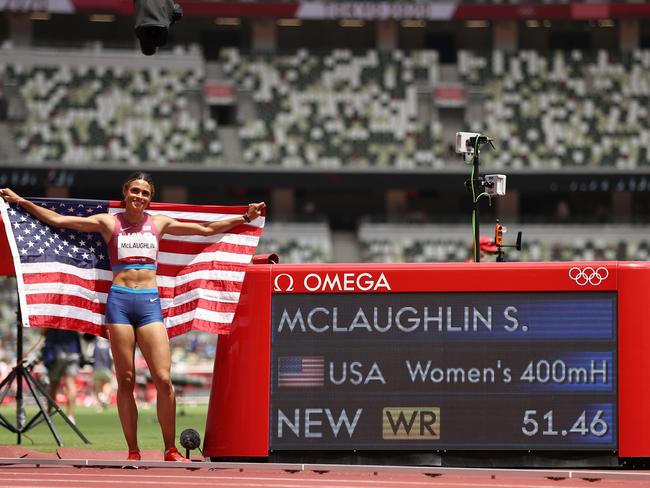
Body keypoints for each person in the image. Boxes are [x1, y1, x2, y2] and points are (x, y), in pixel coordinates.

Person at [0, 173, 265, 462]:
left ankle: (170, 449)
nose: (140, 196)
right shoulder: (109, 222)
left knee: (163, 379)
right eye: (135, 191)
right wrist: (21, 201)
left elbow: (204, 228)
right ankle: (134, 450)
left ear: (150, 197)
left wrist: (244, 216)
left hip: (149, 303)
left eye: (145, 193)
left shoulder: (159, 223)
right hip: (120, 303)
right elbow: (60, 221)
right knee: (125, 380)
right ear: (126, 193)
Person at [41, 328, 81, 424]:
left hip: (57, 351)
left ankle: (49, 413)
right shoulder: (73, 315)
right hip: (73, 351)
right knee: (71, 384)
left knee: (53, 384)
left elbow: (43, 332)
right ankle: (70, 415)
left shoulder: (52, 315)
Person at [92, 337, 114, 411]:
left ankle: (99, 404)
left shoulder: (94, 344)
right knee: (108, 383)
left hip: (96, 369)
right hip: (106, 369)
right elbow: (112, 358)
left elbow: (90, 356)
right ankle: (104, 397)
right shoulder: (109, 346)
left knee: (97, 387)